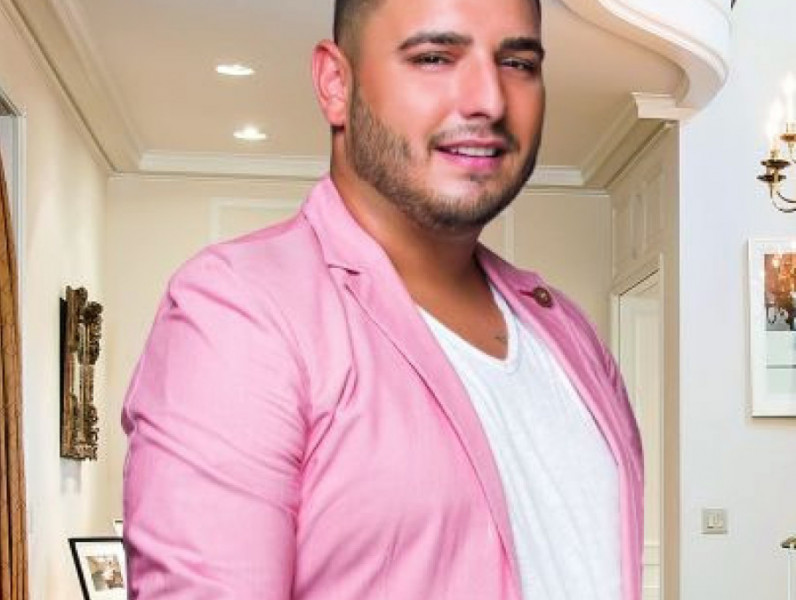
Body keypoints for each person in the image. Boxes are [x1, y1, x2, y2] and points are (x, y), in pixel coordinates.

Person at [122, 0, 644, 597]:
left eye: (518, 63)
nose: (490, 100)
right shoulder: (239, 312)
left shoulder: (569, 333)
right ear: (335, 84)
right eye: (435, 57)